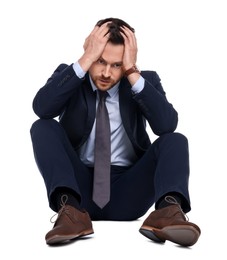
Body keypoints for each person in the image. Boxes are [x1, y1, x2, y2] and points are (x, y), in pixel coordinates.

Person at [30, 17, 201, 247]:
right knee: (42, 126)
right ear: (90, 52)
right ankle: (69, 214)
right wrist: (86, 59)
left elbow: (166, 126)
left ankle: (168, 212)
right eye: (100, 61)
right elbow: (42, 108)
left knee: (176, 140)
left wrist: (131, 72)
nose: (106, 73)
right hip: (78, 193)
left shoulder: (143, 81)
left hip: (130, 191)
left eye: (117, 64)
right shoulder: (70, 76)